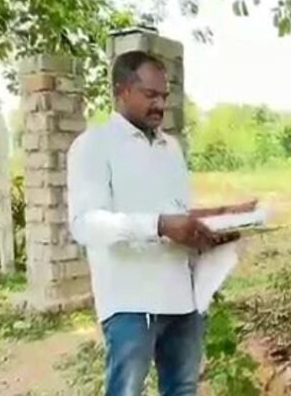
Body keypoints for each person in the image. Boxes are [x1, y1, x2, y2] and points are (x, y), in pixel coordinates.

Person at [67, 50, 256, 396]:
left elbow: (175, 213)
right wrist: (158, 225)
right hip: (131, 302)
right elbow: (85, 224)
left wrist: (223, 217)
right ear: (122, 91)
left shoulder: (171, 148)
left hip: (183, 298)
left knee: (182, 389)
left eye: (164, 96)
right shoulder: (93, 145)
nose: (160, 105)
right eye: (150, 95)